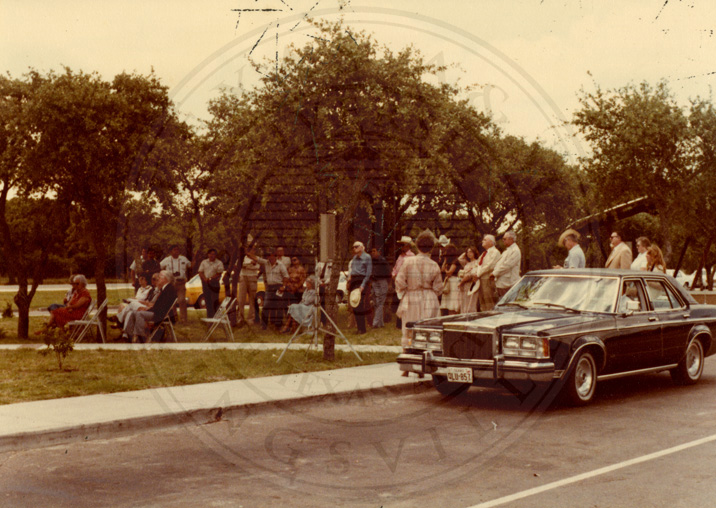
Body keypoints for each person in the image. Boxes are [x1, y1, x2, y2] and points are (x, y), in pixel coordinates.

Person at [396, 231, 443, 352]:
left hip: (411, 297)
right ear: (431, 248)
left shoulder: (408, 262)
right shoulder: (434, 265)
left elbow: (399, 281)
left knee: (409, 327)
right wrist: (431, 292)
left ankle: (408, 352)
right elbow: (439, 287)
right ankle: (427, 352)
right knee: (428, 328)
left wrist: (406, 291)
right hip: (429, 297)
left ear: (417, 246)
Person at [124, 270, 178, 343]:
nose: (158, 279)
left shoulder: (169, 289)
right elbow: (159, 305)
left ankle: (141, 337)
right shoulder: (165, 288)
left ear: (165, 279)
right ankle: (128, 335)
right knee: (133, 313)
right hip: (157, 312)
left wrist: (148, 310)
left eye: (160, 277)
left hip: (159, 315)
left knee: (139, 314)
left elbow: (161, 307)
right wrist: (148, 309)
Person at [258, 248, 289, 329]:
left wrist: (283, 286)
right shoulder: (266, 263)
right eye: (269, 256)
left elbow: (286, 276)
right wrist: (247, 253)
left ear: (275, 257)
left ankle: (278, 325)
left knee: (279, 306)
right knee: (266, 305)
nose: (270, 258)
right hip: (269, 287)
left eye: (272, 256)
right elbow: (257, 259)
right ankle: (263, 325)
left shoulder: (281, 265)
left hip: (279, 287)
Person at [160, 245, 191, 321]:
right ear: (171, 251)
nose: (176, 251)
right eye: (174, 249)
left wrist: (195, 258)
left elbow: (190, 266)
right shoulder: (166, 260)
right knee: (171, 301)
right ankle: (174, 317)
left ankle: (183, 318)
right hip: (171, 283)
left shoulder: (183, 259)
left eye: (177, 249)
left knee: (182, 300)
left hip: (181, 282)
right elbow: (159, 267)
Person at [348, 241, 372, 334]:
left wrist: (362, 285)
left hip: (361, 281)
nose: (354, 248)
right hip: (354, 281)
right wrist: (349, 280)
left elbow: (368, 273)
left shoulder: (367, 257)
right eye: (353, 247)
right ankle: (359, 328)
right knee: (354, 304)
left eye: (356, 247)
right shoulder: (354, 258)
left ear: (362, 247)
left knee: (360, 304)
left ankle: (362, 329)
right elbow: (352, 270)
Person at [391, 236, 415, 329]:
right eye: (401, 245)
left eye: (403, 245)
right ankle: (399, 323)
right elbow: (395, 267)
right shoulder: (400, 256)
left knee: (405, 302)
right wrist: (393, 274)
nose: (401, 247)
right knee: (399, 301)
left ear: (408, 245)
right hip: (397, 281)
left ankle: (404, 322)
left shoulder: (412, 256)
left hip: (406, 282)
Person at [236, 243, 261, 326]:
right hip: (243, 277)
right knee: (241, 299)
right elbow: (239, 265)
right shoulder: (242, 257)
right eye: (250, 249)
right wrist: (250, 263)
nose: (252, 251)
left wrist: (247, 266)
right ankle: (240, 318)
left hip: (253, 277)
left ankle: (250, 318)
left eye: (253, 249)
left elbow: (257, 267)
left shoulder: (257, 258)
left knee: (252, 299)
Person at [475, 235, 501, 311]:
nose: (482, 241)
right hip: (481, 279)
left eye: (485, 240)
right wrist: (474, 272)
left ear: (491, 242)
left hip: (488, 279)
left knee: (489, 302)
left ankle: (491, 317)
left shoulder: (495, 252)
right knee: (482, 302)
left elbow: (490, 265)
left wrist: (478, 274)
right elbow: (477, 263)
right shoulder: (484, 253)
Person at [492, 231, 521, 298]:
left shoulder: (515, 250)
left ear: (511, 239)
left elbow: (507, 266)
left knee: (507, 302)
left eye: (504, 239)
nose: (503, 240)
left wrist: (494, 273)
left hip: (508, 284)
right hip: (502, 283)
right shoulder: (507, 250)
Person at [198, 248, 224, 318]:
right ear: (208, 254)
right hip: (206, 283)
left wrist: (211, 279)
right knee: (207, 300)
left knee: (215, 300)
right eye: (211, 254)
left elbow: (219, 273)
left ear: (216, 255)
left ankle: (215, 317)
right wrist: (205, 279)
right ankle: (209, 316)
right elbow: (200, 272)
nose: (212, 255)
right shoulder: (204, 262)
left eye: (214, 254)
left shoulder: (219, 263)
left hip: (214, 283)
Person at [370, 246, 391, 328]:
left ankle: (375, 323)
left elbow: (389, 273)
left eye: (374, 251)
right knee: (377, 302)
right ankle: (380, 323)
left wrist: (389, 284)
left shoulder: (383, 261)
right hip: (374, 282)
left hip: (382, 281)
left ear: (379, 252)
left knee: (381, 301)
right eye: (372, 251)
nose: (372, 253)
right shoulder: (372, 261)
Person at [457, 246, 479, 314]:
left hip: (471, 284)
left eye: (471, 252)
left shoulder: (477, 262)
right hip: (465, 285)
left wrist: (461, 282)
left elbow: (471, 275)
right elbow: (460, 258)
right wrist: (465, 252)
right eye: (467, 252)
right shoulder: (467, 263)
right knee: (464, 303)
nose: (469, 253)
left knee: (471, 303)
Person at [439, 244, 460, 315]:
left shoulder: (455, 261)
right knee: (447, 302)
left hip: (453, 281)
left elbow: (449, 273)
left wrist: (445, 270)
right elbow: (442, 269)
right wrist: (445, 261)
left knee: (452, 302)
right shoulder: (448, 261)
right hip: (448, 281)